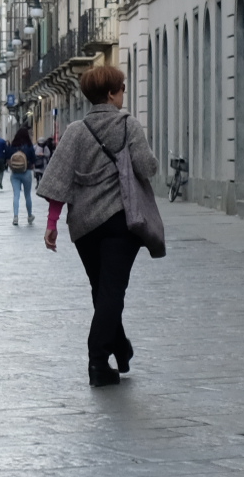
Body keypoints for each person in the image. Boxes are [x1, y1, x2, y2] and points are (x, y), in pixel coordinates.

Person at [37, 64, 165, 390]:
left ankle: (119, 349)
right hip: (121, 222)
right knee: (111, 292)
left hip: (83, 227)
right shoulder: (128, 125)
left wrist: (52, 223)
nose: (123, 94)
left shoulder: (76, 131)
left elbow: (58, 177)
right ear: (111, 94)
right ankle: (97, 361)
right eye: (122, 89)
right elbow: (146, 167)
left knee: (101, 290)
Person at [8, 148, 35, 226]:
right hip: (26, 172)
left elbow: (7, 158)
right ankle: (29, 215)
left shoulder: (14, 145)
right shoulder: (29, 146)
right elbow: (33, 160)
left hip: (15, 173)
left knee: (16, 195)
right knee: (27, 195)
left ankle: (15, 216)